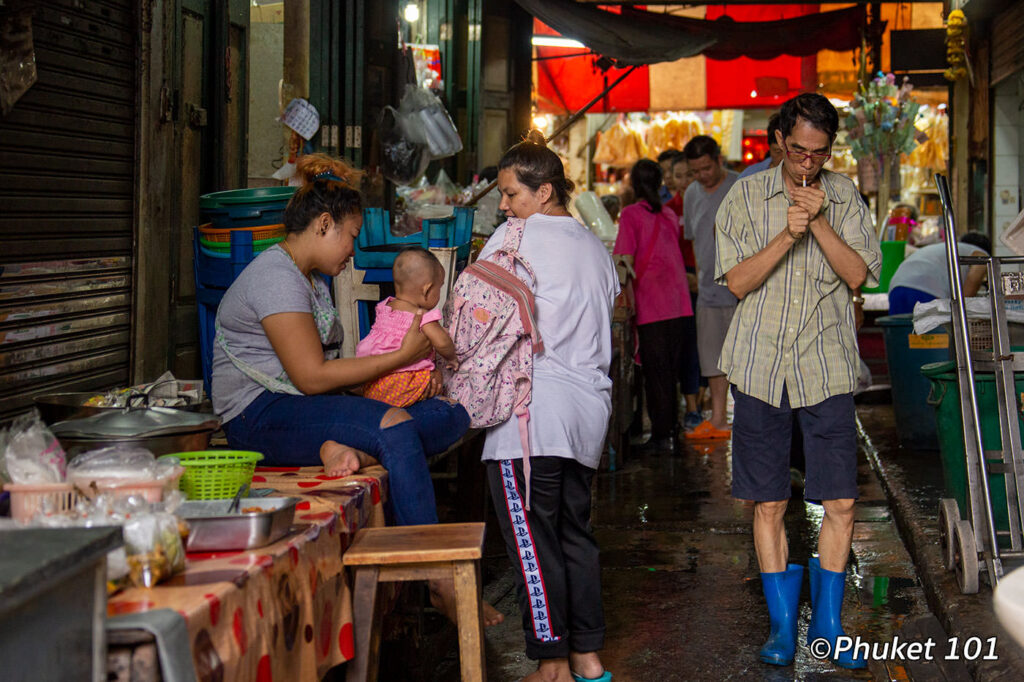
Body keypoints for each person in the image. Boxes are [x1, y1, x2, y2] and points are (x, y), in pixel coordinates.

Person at [211, 153, 502, 626]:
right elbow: (310, 377)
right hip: (257, 417)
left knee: (448, 413)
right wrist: (402, 358)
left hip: (301, 407)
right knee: (397, 429)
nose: (352, 249)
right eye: (350, 235)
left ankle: (356, 448)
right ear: (324, 224)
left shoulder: (306, 278)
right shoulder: (274, 279)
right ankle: (436, 581)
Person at [715, 93, 882, 669]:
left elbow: (859, 274)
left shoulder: (845, 196)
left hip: (825, 366)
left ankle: (830, 628)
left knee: (839, 501)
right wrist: (787, 234)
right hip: (760, 367)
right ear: (780, 140)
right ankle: (784, 628)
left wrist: (818, 222)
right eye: (799, 150)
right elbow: (735, 283)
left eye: (820, 153)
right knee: (767, 502)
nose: (808, 162)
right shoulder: (744, 196)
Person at [481, 131, 618, 682]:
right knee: (572, 533)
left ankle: (553, 662)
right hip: (586, 416)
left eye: (511, 193)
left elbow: (475, 318)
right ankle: (587, 657)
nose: (503, 205)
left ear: (544, 193)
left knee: (532, 543)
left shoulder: (514, 239)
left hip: (530, 419)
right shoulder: (592, 245)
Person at [614, 159, 694, 453]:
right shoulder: (669, 214)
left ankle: (662, 437)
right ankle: (670, 430)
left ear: (634, 184)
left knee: (656, 374)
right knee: (670, 373)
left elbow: (623, 259)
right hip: (680, 304)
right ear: (661, 181)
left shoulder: (632, 214)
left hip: (652, 304)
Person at [682, 135, 740, 440]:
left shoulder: (741, 186)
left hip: (743, 290)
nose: (701, 176)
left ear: (719, 159)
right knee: (712, 359)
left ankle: (745, 419)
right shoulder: (692, 193)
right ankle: (718, 419)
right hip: (708, 290)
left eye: (705, 168)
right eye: (695, 171)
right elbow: (693, 239)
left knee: (744, 359)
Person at [356, 247, 458, 407]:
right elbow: (443, 343)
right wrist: (452, 358)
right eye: (440, 287)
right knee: (443, 389)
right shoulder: (422, 315)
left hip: (372, 384)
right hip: (402, 385)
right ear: (427, 289)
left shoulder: (384, 307)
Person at [665, 153, 703, 430]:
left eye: (689, 175)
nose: (684, 181)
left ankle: (702, 399)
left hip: (711, 282)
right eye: (679, 176)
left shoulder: (712, 203)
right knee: (690, 345)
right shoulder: (668, 210)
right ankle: (692, 406)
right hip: (682, 285)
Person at [887, 232, 991, 314]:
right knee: (931, 339)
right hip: (926, 290)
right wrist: (963, 309)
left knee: (903, 336)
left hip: (897, 287)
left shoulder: (949, 248)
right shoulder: (981, 253)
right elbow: (974, 278)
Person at [738, 113, 783, 179]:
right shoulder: (750, 176)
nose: (783, 158)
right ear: (769, 148)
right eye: (778, 152)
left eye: (791, 152)